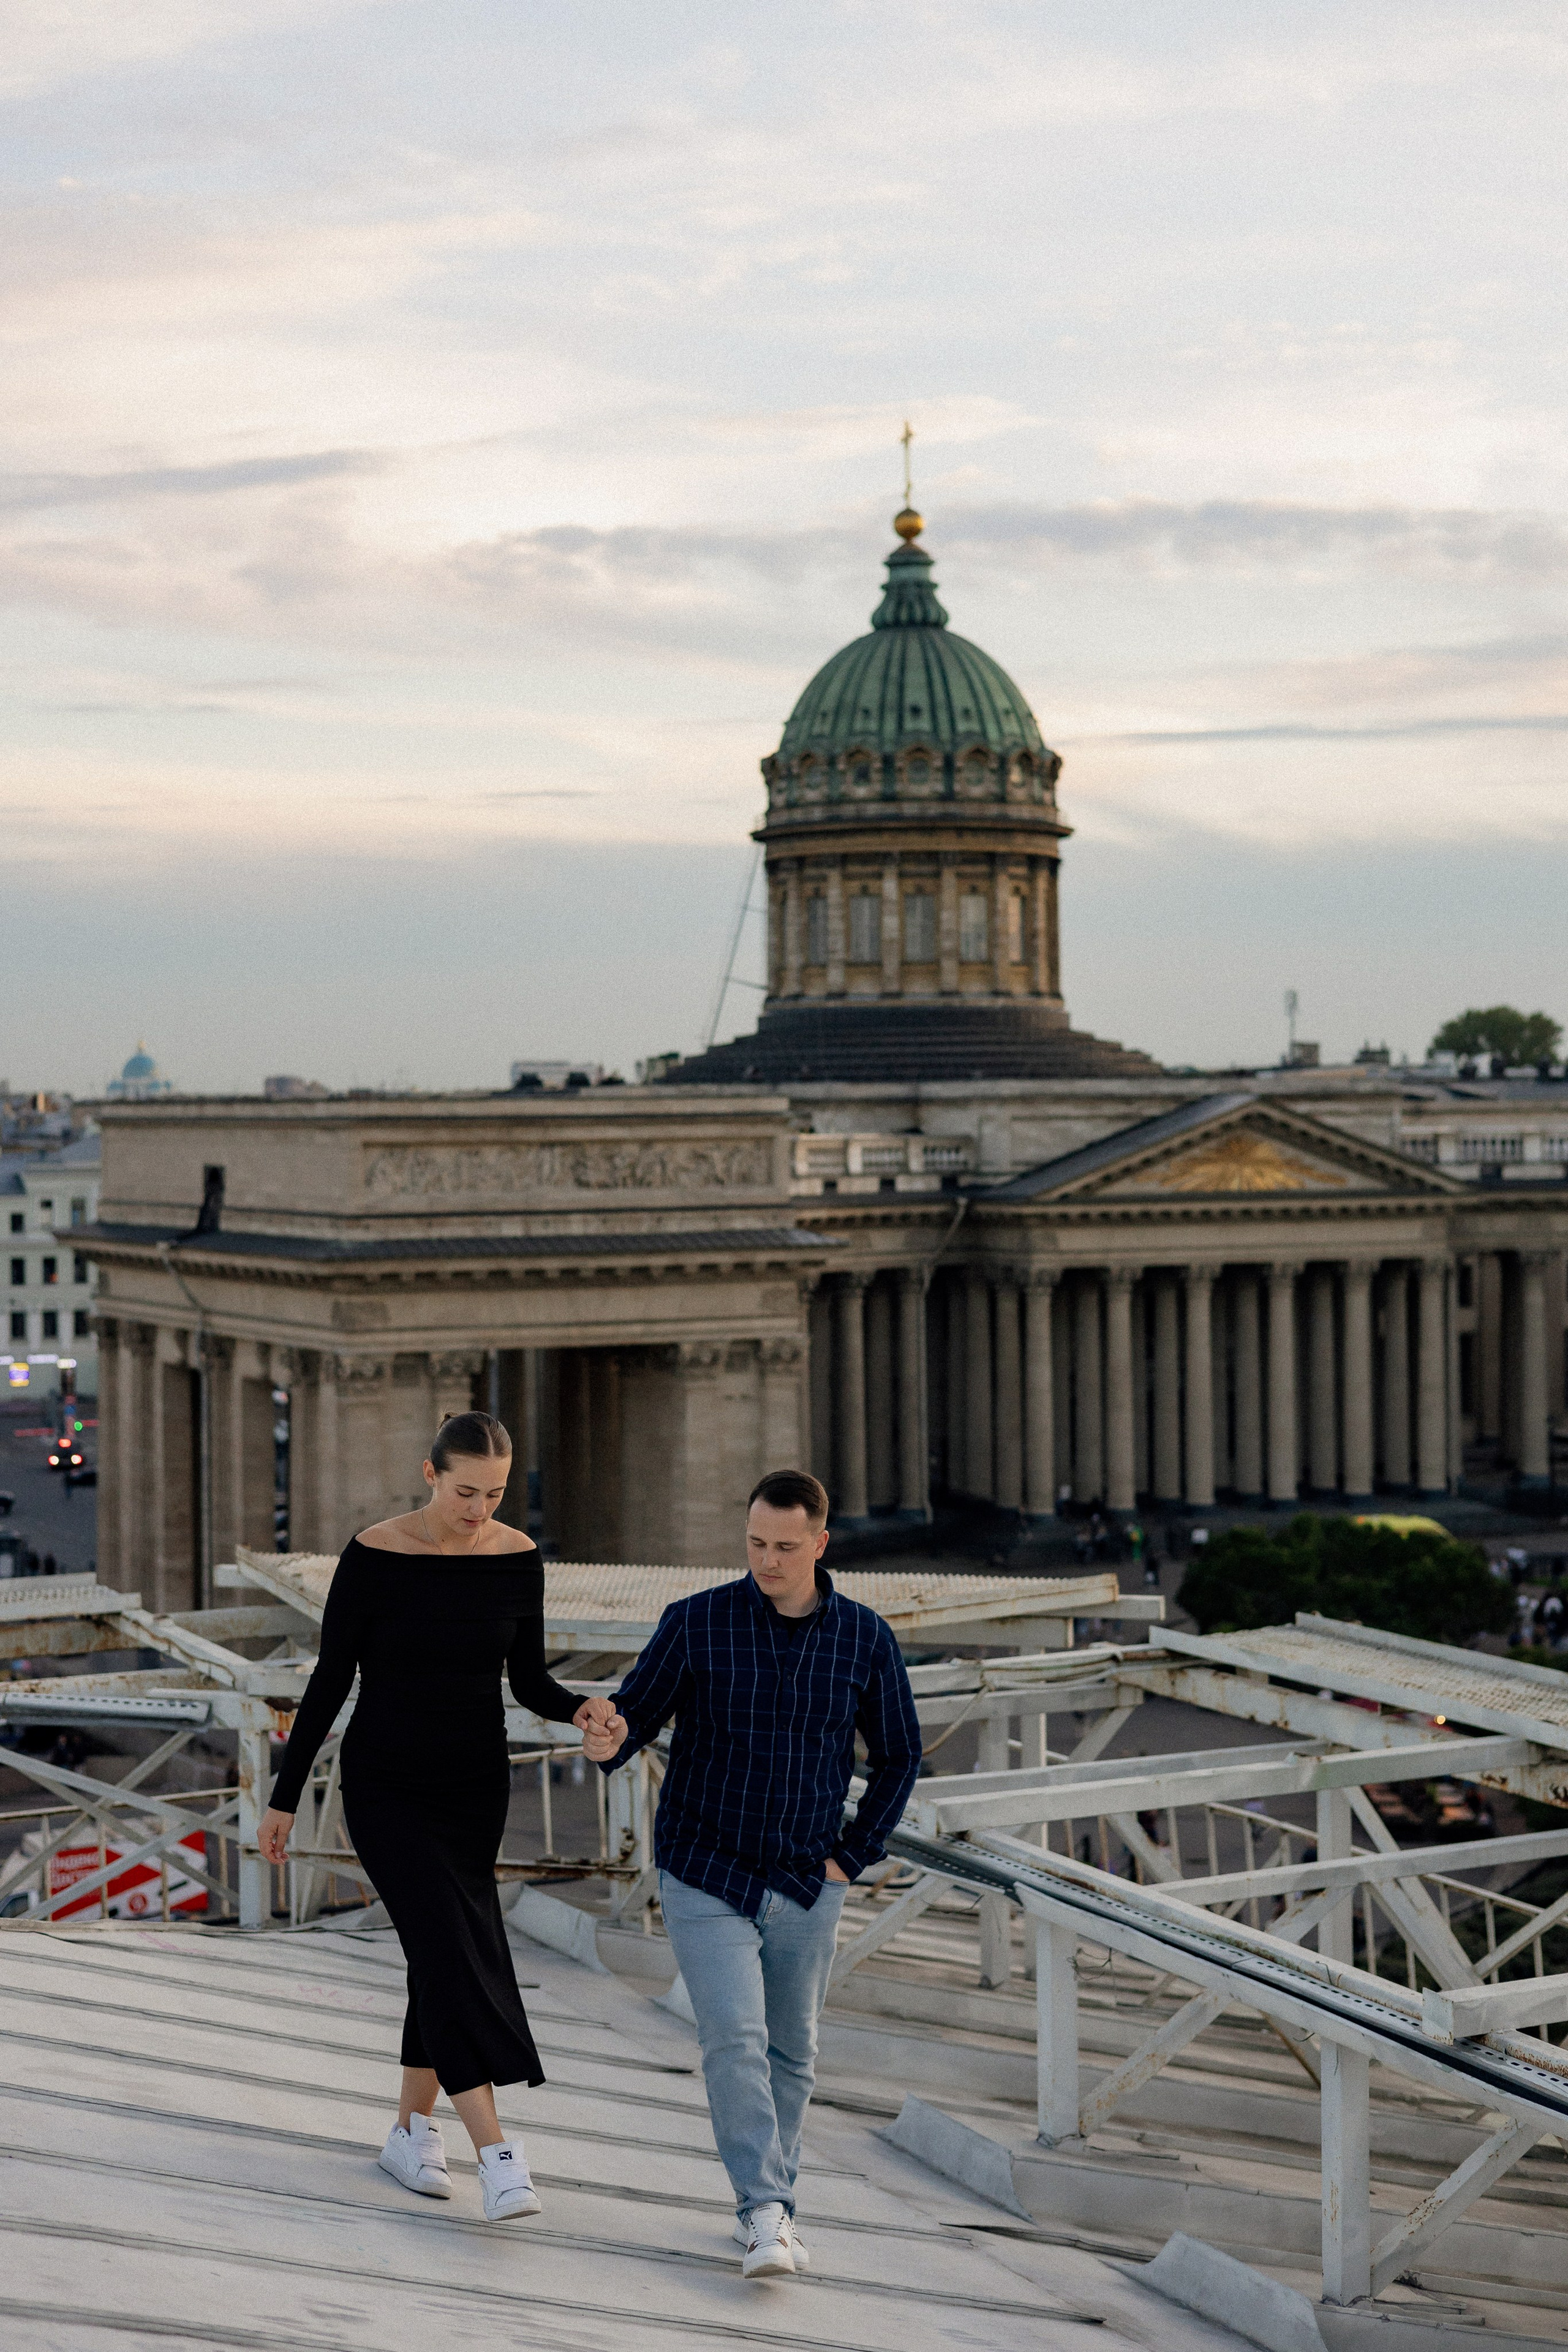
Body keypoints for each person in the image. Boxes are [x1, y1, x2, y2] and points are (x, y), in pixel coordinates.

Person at [257, 1411, 618, 2222]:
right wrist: (284, 1796)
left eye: (495, 1494)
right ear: (429, 1475)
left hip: (474, 1788)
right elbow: (328, 1682)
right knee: (453, 1952)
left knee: (439, 1953)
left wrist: (584, 1709)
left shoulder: (517, 1559)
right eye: (465, 1492)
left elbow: (528, 1683)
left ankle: (409, 2130)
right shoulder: (375, 1556)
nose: (479, 1510)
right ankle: (497, 2153)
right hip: (385, 1786)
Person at [582, 1468, 921, 2280]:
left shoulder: (865, 1637)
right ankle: (764, 2212)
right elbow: (636, 1714)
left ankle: (774, 2205)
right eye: (755, 1544)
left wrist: (851, 1857)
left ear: (820, 1544)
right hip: (706, 1868)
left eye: (784, 1547)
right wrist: (607, 1737)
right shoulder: (696, 1623)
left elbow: (901, 1756)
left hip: (809, 1876)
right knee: (734, 2039)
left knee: (793, 2052)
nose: (767, 1561)